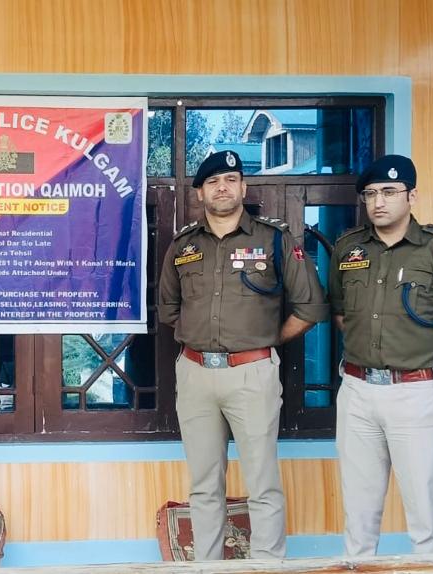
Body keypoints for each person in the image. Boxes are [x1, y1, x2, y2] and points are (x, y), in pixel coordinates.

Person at [157, 150, 328, 560]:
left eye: (231, 179)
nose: (223, 187)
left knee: (262, 482)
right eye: (213, 182)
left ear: (243, 187)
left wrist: (265, 341)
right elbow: (169, 310)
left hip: (252, 374)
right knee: (204, 485)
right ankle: (207, 567)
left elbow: (310, 307)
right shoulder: (183, 245)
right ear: (200, 192)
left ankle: (267, 565)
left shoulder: (273, 239)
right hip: (196, 374)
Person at [330, 154, 433, 555]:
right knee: (359, 516)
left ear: (411, 196)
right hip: (357, 392)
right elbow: (342, 315)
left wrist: (429, 360)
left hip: (414, 395)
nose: (378, 201)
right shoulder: (348, 247)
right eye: (370, 194)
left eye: (389, 191)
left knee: (424, 517)